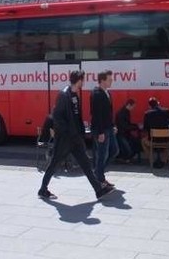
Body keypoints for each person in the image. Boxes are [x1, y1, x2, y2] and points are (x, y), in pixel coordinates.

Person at [38, 70, 114, 200]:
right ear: (79, 80)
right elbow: (57, 117)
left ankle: (99, 190)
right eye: (83, 80)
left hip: (75, 138)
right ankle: (43, 189)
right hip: (65, 139)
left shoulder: (75, 95)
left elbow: (76, 117)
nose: (84, 82)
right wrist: (68, 131)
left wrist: (81, 131)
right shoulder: (64, 95)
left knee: (86, 164)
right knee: (54, 163)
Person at [90, 70, 119, 187]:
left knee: (114, 151)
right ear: (102, 80)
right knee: (102, 154)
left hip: (108, 128)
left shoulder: (108, 93)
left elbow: (108, 113)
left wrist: (113, 125)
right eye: (109, 79)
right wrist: (101, 132)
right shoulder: (96, 94)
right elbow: (96, 114)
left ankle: (98, 172)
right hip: (101, 130)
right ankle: (100, 179)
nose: (112, 81)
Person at [141, 97, 169, 169]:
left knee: (143, 141)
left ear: (150, 106)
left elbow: (145, 128)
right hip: (166, 141)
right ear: (158, 103)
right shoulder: (166, 111)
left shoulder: (147, 114)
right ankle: (163, 161)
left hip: (153, 141)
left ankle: (152, 161)